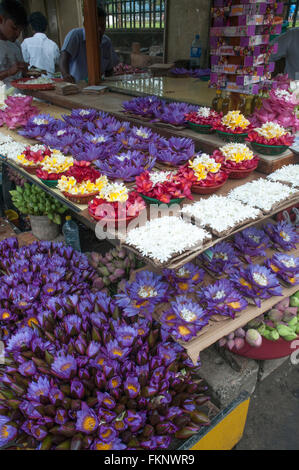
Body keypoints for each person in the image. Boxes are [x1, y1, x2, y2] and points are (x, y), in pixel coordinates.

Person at [59, 6, 119, 83]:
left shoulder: (106, 42)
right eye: (96, 26)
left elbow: (109, 70)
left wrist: (111, 83)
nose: (100, 29)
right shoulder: (75, 36)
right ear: (85, 25)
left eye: (103, 25)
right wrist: (66, 75)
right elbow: (64, 57)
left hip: (96, 89)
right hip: (75, 87)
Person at [21, 11, 60, 77]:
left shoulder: (27, 43)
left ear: (31, 27)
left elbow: (23, 63)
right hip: (50, 82)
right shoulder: (53, 45)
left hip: (32, 83)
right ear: (46, 27)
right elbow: (58, 63)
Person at [0, 0, 28, 86]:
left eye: (20, 30)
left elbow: (21, 75)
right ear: (0, 19)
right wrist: (8, 72)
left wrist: (26, 71)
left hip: (21, 97)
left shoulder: (16, 44)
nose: (17, 34)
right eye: (14, 28)